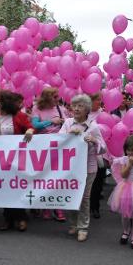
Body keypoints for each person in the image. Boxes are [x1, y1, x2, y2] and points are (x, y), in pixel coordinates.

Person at [0, 90, 34, 231]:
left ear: (6, 102)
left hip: (16, 159)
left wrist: (29, 131)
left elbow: (30, 128)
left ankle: (21, 217)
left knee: (16, 188)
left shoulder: (19, 115)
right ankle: (8, 219)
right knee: (4, 189)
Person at [59, 94, 106, 242]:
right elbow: (58, 141)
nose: (77, 109)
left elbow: (103, 148)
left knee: (84, 198)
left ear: (87, 109)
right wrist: (68, 134)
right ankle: (73, 223)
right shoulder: (67, 123)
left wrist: (93, 141)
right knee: (71, 195)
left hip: (88, 167)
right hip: (70, 167)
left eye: (80, 106)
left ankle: (83, 227)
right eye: (75, 106)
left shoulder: (93, 126)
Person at [31, 87, 68, 222]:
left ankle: (58, 208)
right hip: (42, 146)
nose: (58, 99)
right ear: (47, 97)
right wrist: (51, 121)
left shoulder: (61, 109)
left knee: (57, 177)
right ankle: (46, 207)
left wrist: (64, 122)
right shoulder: (37, 108)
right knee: (45, 177)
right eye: (55, 96)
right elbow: (35, 124)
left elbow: (68, 123)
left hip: (59, 146)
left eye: (58, 96)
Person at [89, 92, 106, 218]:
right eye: (97, 99)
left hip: (99, 151)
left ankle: (95, 207)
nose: (99, 102)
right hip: (84, 153)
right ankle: (86, 207)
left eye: (100, 100)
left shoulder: (104, 113)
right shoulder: (83, 114)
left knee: (98, 181)